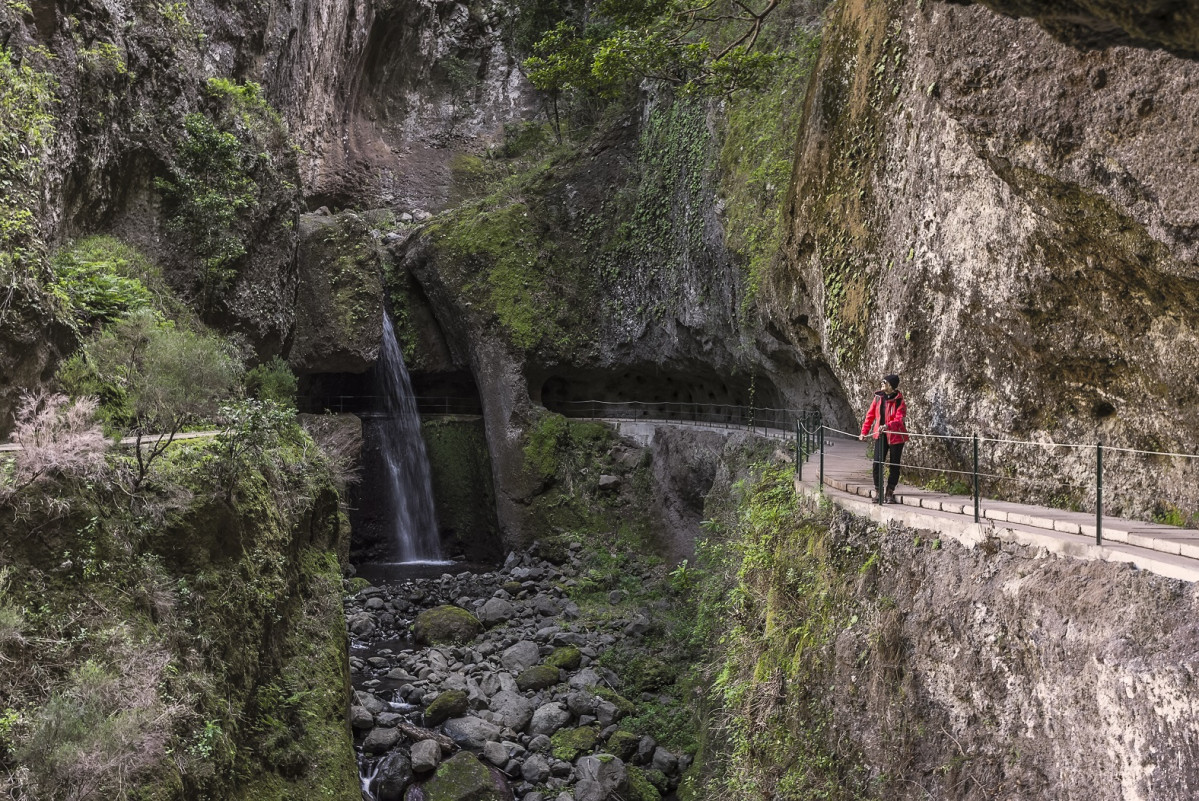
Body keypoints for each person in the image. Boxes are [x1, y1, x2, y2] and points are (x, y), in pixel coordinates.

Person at [859, 374, 909, 503]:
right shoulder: (878, 398)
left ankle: (889, 491)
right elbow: (870, 416)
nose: (881, 384)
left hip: (896, 436)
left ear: (891, 385)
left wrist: (887, 425)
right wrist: (864, 432)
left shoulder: (899, 401)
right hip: (880, 435)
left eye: (884, 382)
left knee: (894, 465)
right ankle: (878, 491)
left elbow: (899, 420)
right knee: (877, 463)